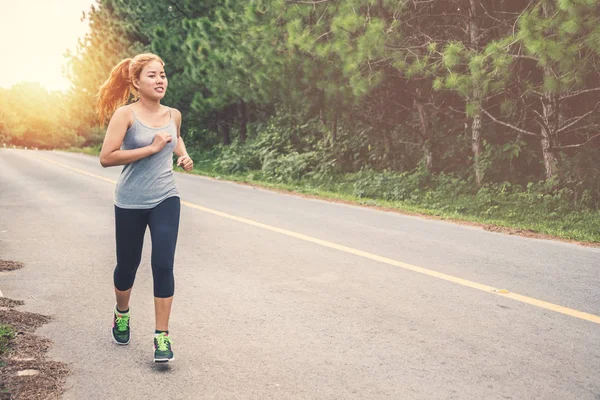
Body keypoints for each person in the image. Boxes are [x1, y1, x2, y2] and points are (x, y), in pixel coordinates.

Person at [96, 53, 193, 363]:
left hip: (166, 197)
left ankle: (161, 336)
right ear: (136, 82)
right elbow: (106, 157)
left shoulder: (173, 114)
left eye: (162, 74)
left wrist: (183, 154)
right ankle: (121, 313)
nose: (160, 80)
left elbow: (174, 138)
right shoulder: (125, 115)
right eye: (152, 75)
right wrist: (149, 148)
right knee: (127, 265)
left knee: (163, 264)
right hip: (130, 201)